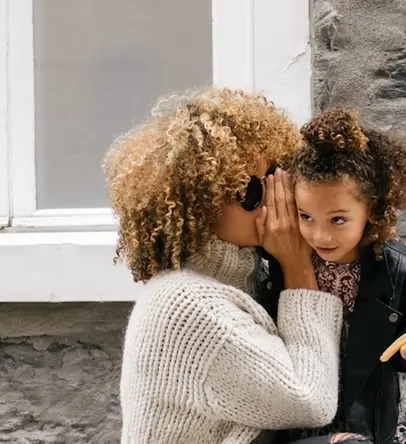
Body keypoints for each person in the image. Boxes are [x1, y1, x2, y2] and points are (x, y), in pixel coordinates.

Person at [103, 87, 345, 444]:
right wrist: (297, 266)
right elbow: (310, 401)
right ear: (201, 203)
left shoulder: (246, 280)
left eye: (277, 177)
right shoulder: (186, 304)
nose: (274, 200)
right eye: (250, 191)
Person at [259, 108, 406, 444]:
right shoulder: (280, 262)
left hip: (366, 423)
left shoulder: (401, 270)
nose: (320, 236)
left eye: (337, 220)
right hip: (299, 420)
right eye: (306, 216)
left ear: (372, 210)